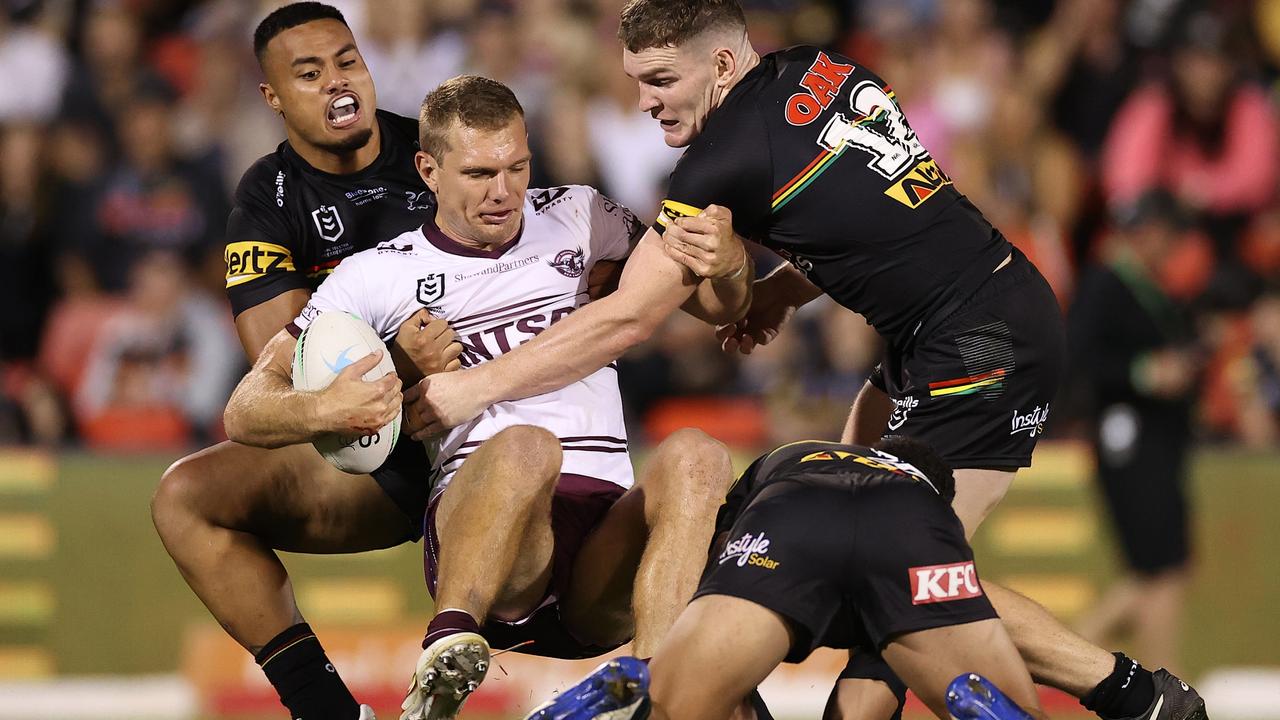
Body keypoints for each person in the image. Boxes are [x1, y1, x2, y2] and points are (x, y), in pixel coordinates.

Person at [403, 3, 1207, 720]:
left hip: (979, 342)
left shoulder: (720, 159)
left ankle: (1132, 695)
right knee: (879, 560)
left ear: (719, 66)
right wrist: (784, 291)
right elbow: (879, 213)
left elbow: (624, 319)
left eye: (659, 80)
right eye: (635, 81)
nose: (645, 101)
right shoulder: (822, 70)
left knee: (905, 572)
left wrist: (468, 386)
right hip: (957, 322)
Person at [223, 75, 751, 720]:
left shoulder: (584, 216)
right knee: (528, 448)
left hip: (600, 545)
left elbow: (719, 309)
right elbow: (246, 408)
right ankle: (445, 657)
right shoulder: (377, 273)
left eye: (517, 167)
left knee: (700, 454)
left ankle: (646, 690)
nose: (503, 193)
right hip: (495, 539)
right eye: (478, 173)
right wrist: (332, 407)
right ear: (428, 169)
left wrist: (727, 266)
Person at [150, 5, 457, 720]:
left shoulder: (441, 150)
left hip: (488, 415)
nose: (337, 83)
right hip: (379, 456)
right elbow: (282, 375)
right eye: (309, 73)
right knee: (183, 497)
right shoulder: (264, 200)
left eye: (347, 61)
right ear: (273, 97)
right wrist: (398, 366)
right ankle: (323, 709)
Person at [524, 438, 1046, 720]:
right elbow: (870, 693)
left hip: (790, 512)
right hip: (910, 531)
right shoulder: (926, 510)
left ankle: (637, 682)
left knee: (681, 708)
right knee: (1018, 706)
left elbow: (712, 584)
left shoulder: (792, 456)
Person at [1070, 191, 1199, 673]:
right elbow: (1080, 359)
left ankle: (1068, 647)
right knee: (1158, 570)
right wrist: (1145, 372)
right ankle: (1165, 680)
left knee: (1162, 570)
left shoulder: (1146, 285)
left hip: (1157, 442)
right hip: (1130, 443)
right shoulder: (1107, 283)